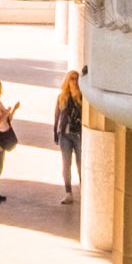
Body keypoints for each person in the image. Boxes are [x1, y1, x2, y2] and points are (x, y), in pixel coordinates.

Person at [54, 70, 84, 204]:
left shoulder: (82, 97)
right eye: (72, 78)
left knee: (80, 163)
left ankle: (84, 189)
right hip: (65, 135)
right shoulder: (62, 97)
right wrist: (55, 132)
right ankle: (68, 192)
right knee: (66, 164)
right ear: (67, 80)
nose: (74, 81)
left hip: (78, 135)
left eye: (77, 78)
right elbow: (57, 116)